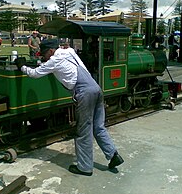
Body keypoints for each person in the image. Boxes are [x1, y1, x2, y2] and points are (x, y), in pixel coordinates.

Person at [18, 39, 124, 176]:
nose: (43, 57)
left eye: (44, 54)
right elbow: (69, 51)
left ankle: (85, 167)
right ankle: (113, 155)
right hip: (96, 88)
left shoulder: (54, 61)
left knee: (83, 131)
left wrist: (22, 66)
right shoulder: (68, 51)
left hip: (84, 92)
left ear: (51, 51)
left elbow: (35, 74)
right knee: (98, 127)